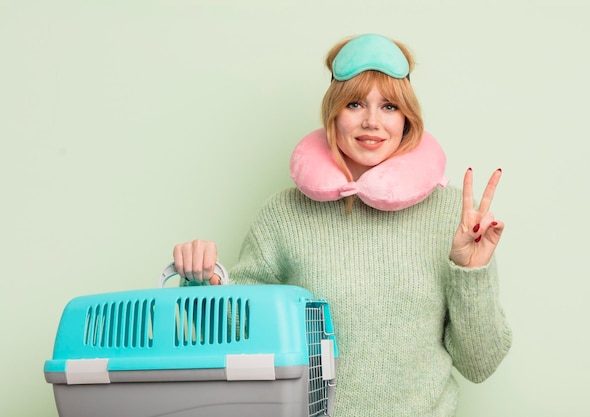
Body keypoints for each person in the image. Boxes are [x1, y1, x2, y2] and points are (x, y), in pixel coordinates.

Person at [173, 33, 512, 417]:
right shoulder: (283, 215)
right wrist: (203, 283)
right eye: (355, 103)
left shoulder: (454, 216)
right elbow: (238, 340)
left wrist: (472, 271)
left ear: (407, 118)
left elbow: (479, 365)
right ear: (334, 112)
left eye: (389, 106)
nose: (372, 121)